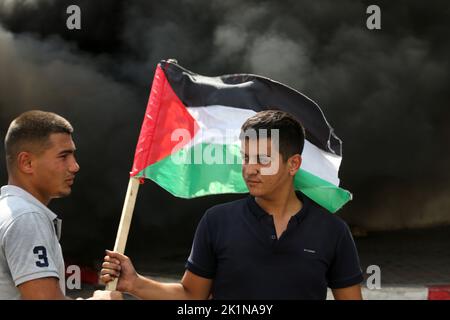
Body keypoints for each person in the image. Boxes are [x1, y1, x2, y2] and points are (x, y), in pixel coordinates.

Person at [101, 110, 363, 300]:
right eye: (246, 158)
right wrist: (135, 284)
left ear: (293, 164)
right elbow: (192, 296)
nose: (250, 169)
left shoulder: (333, 231)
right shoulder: (216, 221)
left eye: (262, 159)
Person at [0, 110, 119, 300]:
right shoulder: (27, 218)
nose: (75, 166)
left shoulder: (8, 211)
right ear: (27, 162)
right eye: (64, 156)